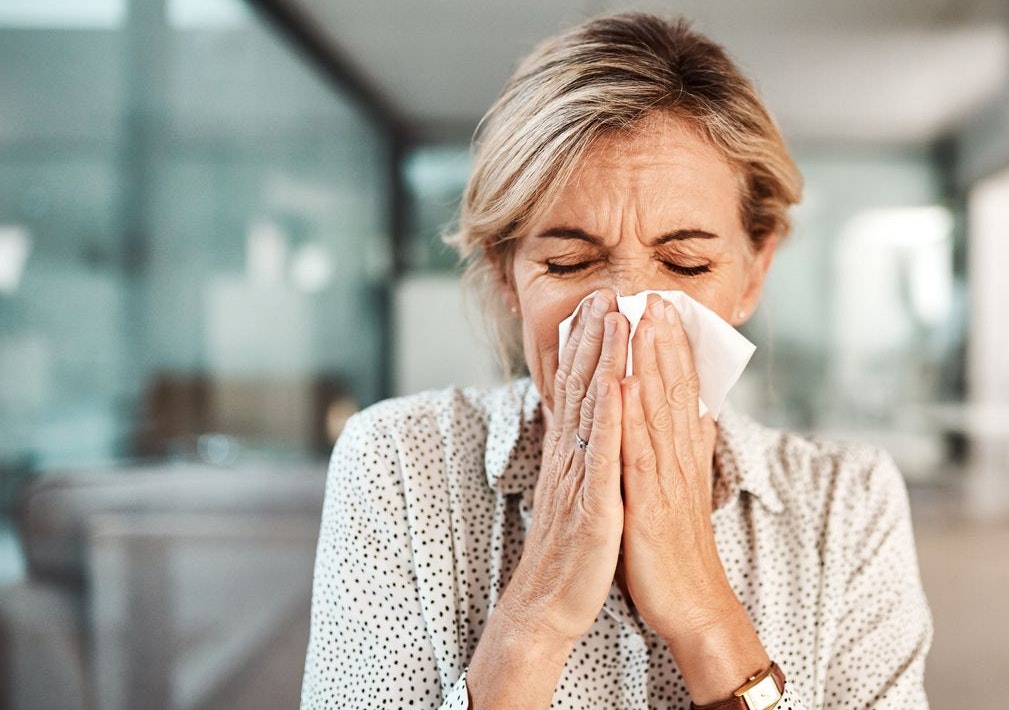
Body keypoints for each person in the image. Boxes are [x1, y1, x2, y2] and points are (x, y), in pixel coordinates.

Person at [300, 12, 932, 710]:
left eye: (685, 263)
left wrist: (702, 611)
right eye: (570, 262)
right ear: (508, 276)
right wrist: (536, 613)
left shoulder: (846, 505)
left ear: (753, 273)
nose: (628, 313)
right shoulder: (400, 466)